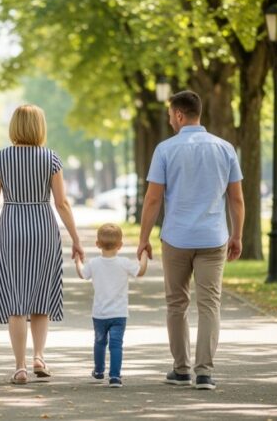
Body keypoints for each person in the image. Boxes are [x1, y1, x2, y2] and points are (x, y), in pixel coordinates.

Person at [137, 90, 244, 391]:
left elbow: (153, 199)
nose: (170, 120)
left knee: (176, 303)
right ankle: (205, 373)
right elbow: (236, 199)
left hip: (177, 238)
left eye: (171, 114)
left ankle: (181, 369)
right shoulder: (225, 148)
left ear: (180, 115)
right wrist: (236, 235)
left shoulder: (165, 150)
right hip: (213, 238)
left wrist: (143, 239)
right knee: (210, 304)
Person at [0, 104, 84, 385]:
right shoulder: (51, 158)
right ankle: (39, 356)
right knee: (41, 298)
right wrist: (76, 239)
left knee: (16, 301)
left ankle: (20, 367)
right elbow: (61, 203)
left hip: (12, 228)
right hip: (43, 228)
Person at [74, 223, 148, 388]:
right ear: (120, 245)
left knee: (100, 342)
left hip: (99, 313)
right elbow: (141, 271)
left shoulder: (94, 263)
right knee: (116, 344)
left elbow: (82, 273)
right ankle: (115, 376)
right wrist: (144, 255)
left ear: (97, 244)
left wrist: (78, 260)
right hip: (119, 314)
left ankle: (99, 371)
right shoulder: (124, 263)